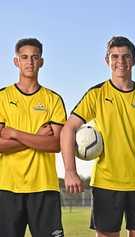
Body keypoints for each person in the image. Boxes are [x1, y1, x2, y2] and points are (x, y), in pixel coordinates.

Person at [61, 36, 135, 237]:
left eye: (126, 56)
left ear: (134, 60)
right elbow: (68, 128)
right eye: (114, 56)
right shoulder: (96, 94)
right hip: (106, 183)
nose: (120, 62)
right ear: (106, 60)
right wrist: (70, 171)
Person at [0, 38, 66, 237]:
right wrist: (38, 137)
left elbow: (55, 144)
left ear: (41, 62)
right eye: (24, 57)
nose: (30, 62)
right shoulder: (2, 97)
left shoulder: (53, 99)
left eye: (34, 57)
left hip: (44, 186)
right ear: (16, 61)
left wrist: (15, 133)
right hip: (7, 187)